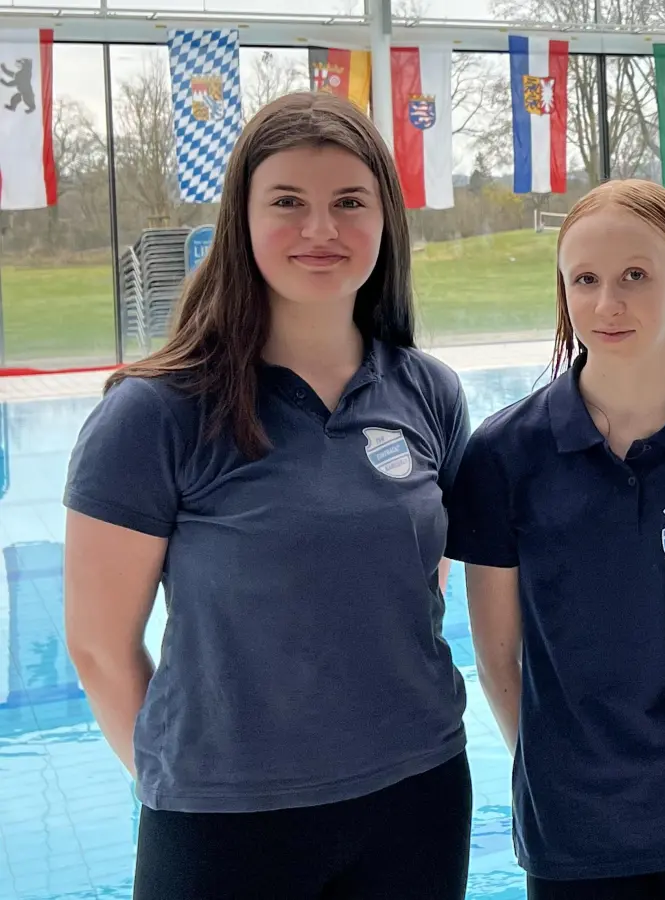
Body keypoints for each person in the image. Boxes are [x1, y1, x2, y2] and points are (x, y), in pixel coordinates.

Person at [61, 91, 472, 899]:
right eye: (288, 202)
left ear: (385, 219)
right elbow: (100, 647)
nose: (321, 229)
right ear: (241, 220)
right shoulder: (156, 413)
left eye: (349, 202)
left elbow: (420, 584)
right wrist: (177, 782)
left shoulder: (427, 393)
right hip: (226, 825)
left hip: (417, 793)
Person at [444, 178, 665, 900]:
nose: (608, 304)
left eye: (636, 276)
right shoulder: (505, 453)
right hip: (573, 821)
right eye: (586, 280)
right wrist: (553, 763)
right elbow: (495, 657)